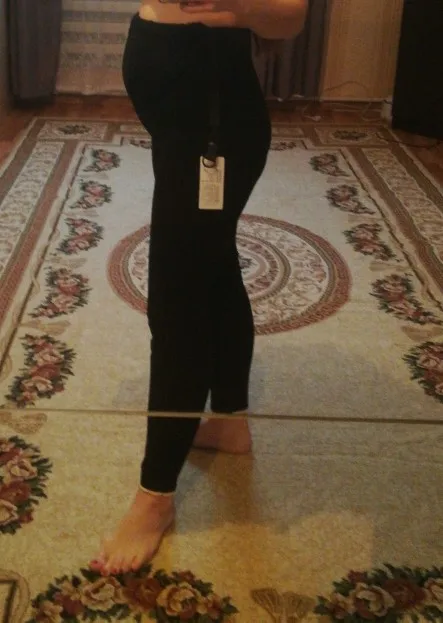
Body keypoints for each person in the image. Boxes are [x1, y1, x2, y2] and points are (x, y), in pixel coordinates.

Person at [91, 0, 308, 576]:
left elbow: (290, 15)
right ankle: (231, 424)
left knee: (177, 301)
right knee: (212, 268)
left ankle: (155, 496)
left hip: (212, 126)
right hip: (184, 117)